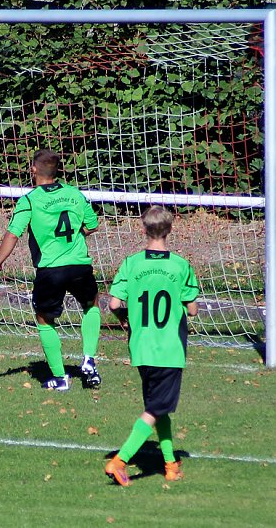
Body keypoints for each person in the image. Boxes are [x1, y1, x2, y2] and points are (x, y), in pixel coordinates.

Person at [0, 149, 102, 390]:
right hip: (80, 264)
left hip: (50, 269)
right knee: (92, 305)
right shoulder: (74, 193)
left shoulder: (30, 200)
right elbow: (92, 225)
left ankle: (61, 378)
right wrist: (76, 236)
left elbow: (13, 234)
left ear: (33, 170)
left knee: (44, 318)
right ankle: (89, 360)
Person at [104, 206, 199, 487]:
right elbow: (192, 310)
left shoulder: (131, 264)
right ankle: (120, 460)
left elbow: (113, 304)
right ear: (170, 230)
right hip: (168, 348)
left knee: (159, 407)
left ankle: (170, 463)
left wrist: (124, 318)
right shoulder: (180, 266)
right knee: (157, 407)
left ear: (143, 229)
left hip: (142, 347)